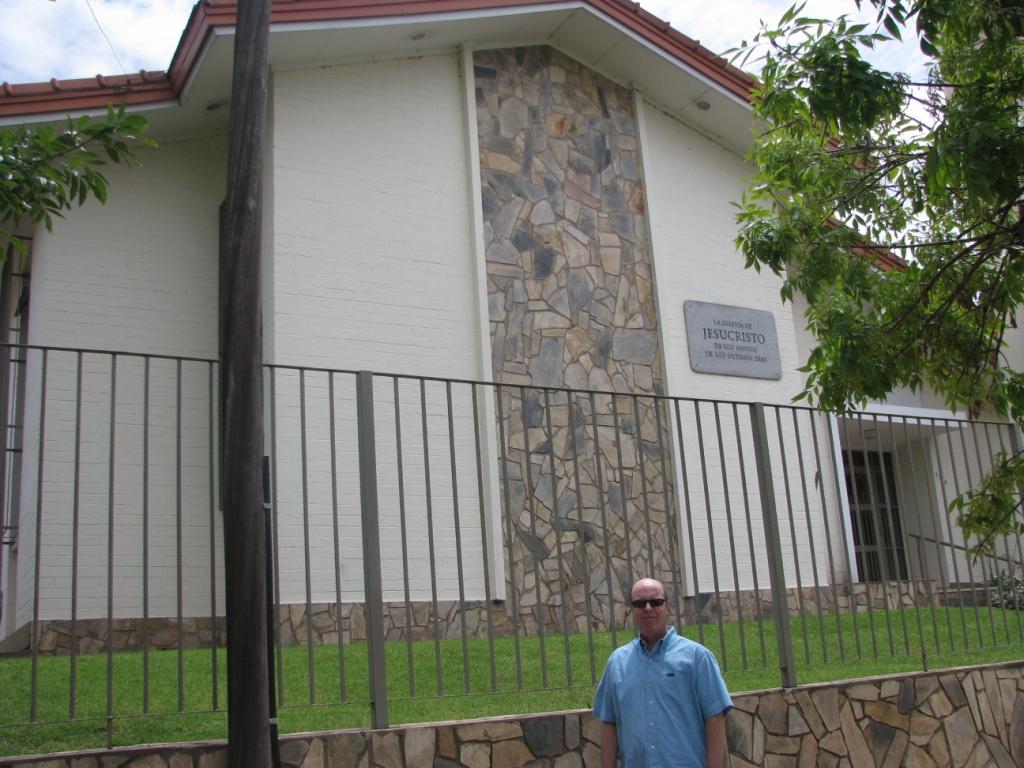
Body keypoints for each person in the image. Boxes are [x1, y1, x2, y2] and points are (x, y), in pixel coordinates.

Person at [593, 578, 732, 768]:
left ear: (668, 606)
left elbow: (715, 718)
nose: (648, 608)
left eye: (656, 602)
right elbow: (609, 724)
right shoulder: (617, 663)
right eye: (640, 604)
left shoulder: (697, 658)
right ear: (632, 610)